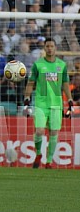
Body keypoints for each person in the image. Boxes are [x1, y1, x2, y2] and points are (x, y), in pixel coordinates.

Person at [24, 39, 74, 169]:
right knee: (39, 131)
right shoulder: (38, 65)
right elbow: (30, 83)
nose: (50, 48)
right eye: (47, 46)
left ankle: (49, 162)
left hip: (57, 104)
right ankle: (39, 153)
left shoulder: (61, 65)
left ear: (55, 48)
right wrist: (27, 97)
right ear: (44, 48)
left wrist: (69, 99)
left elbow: (65, 84)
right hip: (41, 103)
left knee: (54, 132)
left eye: (52, 46)